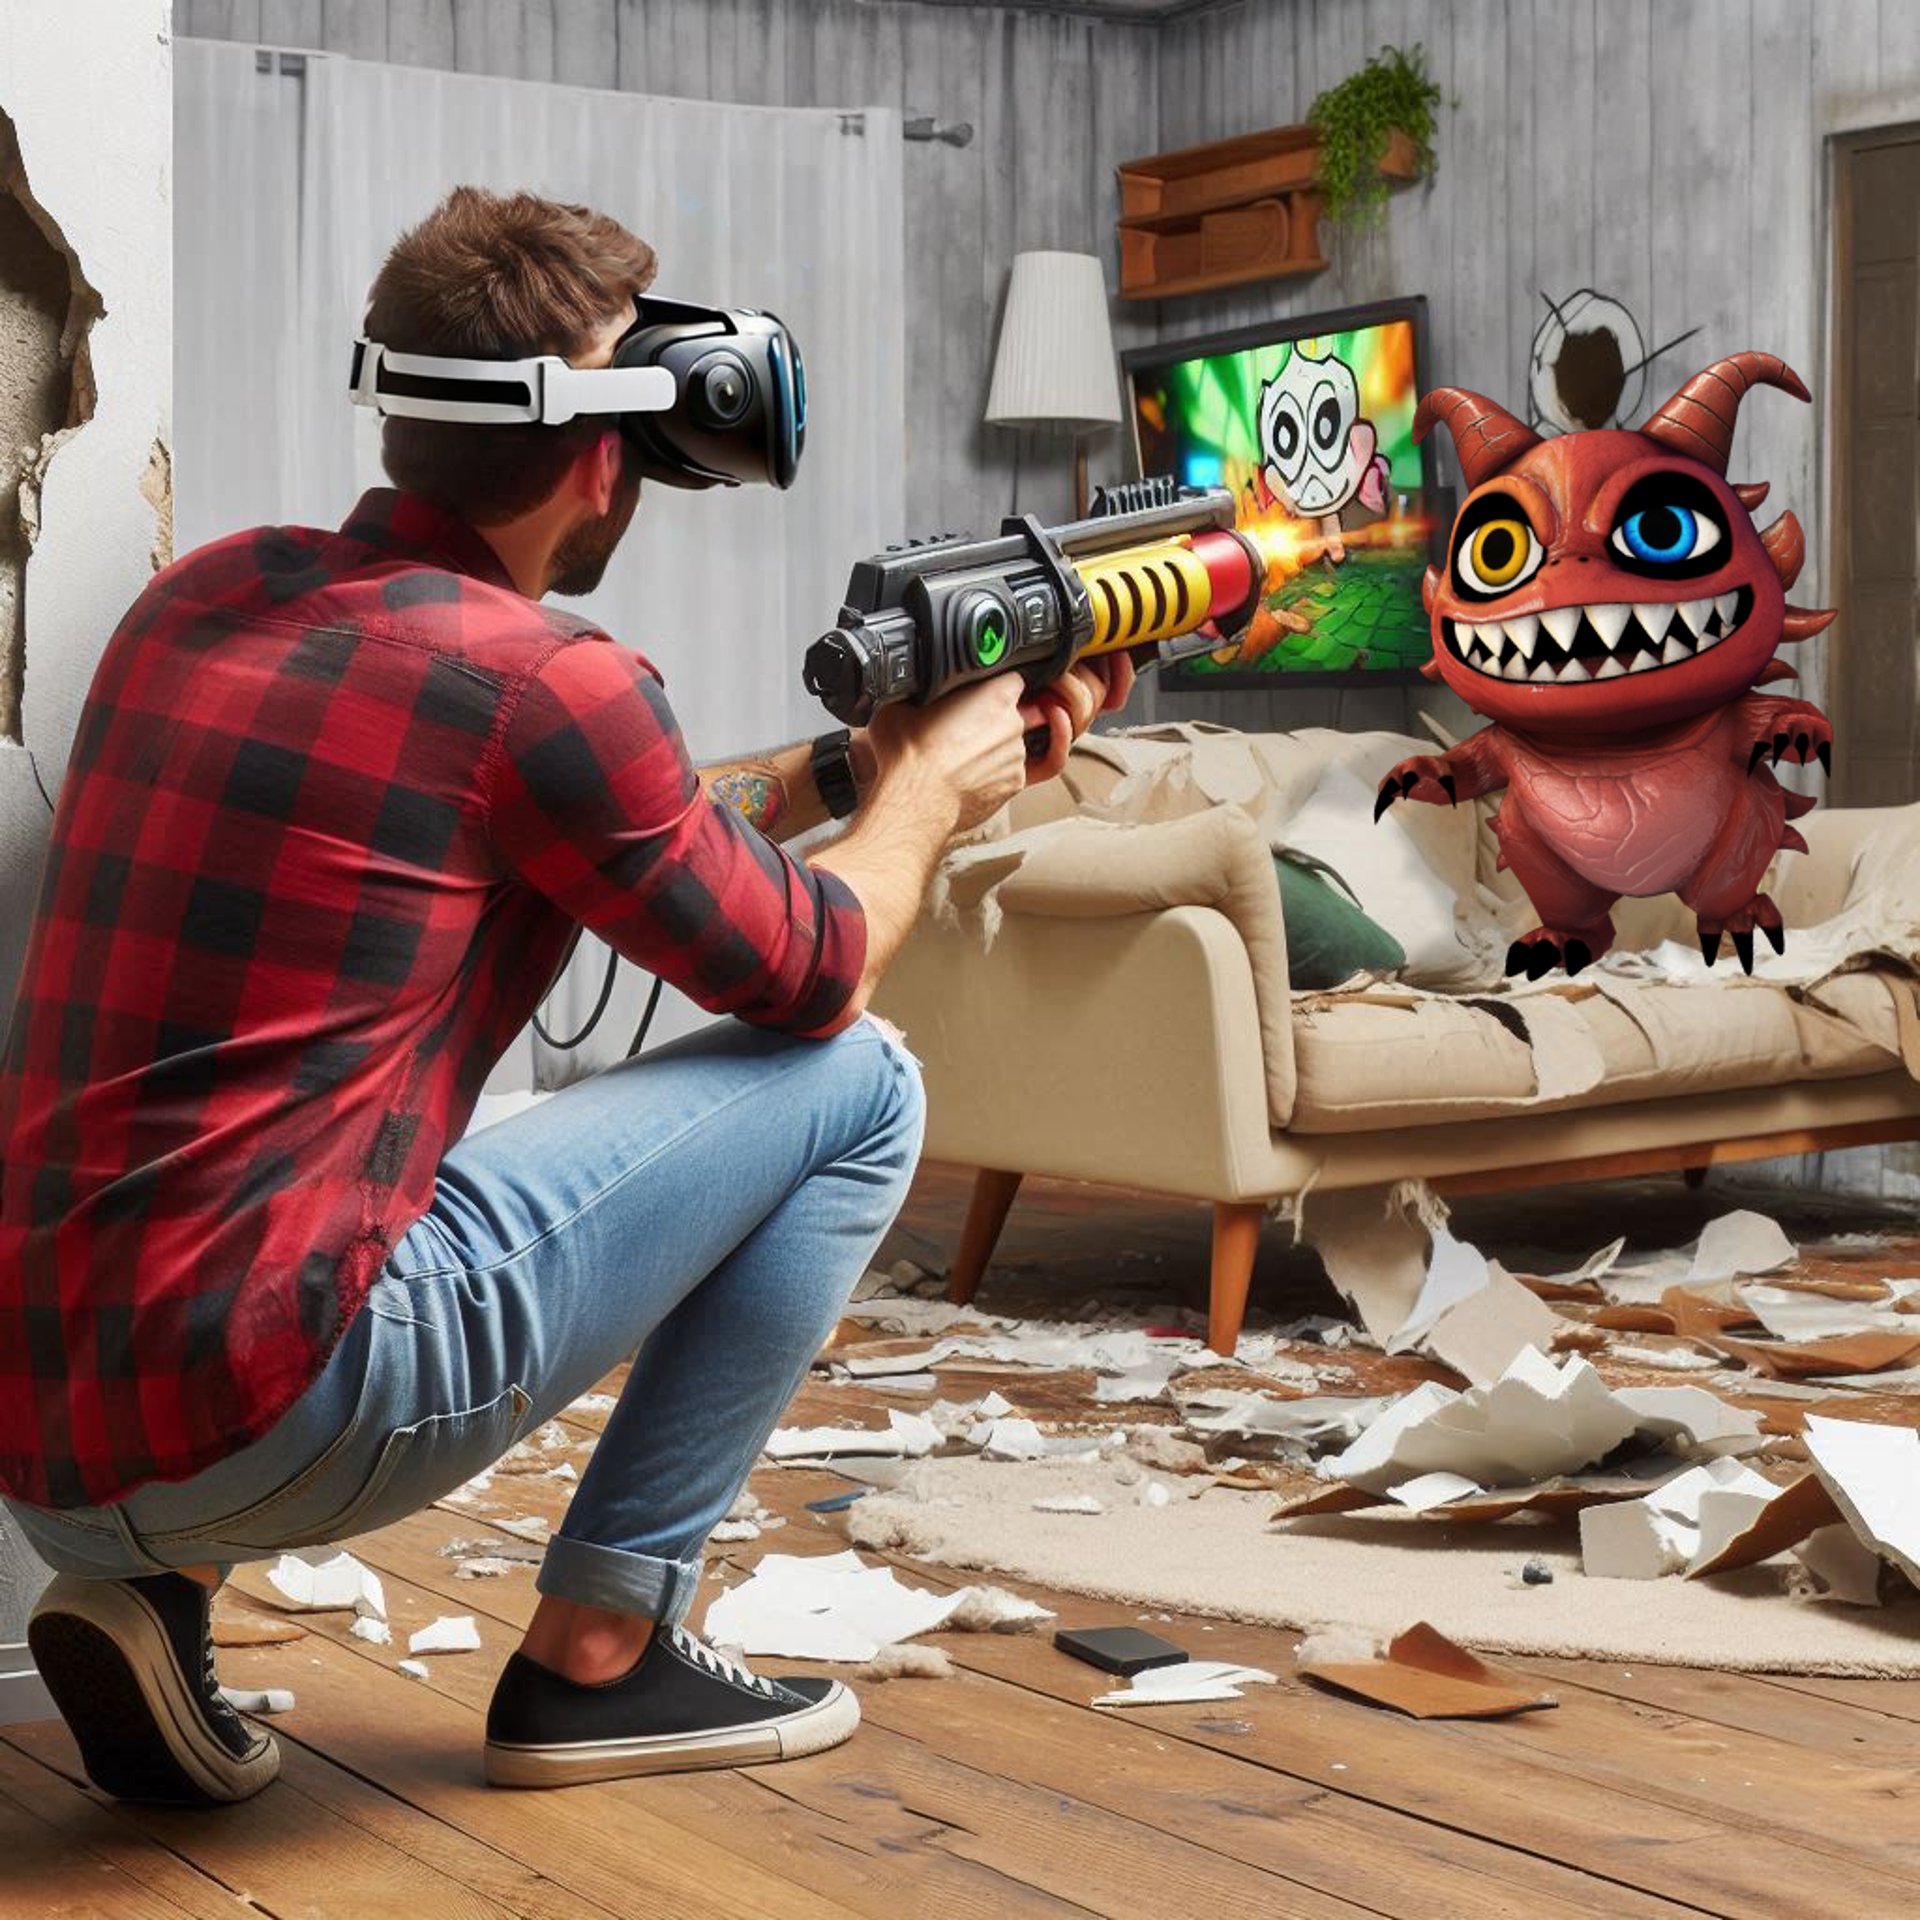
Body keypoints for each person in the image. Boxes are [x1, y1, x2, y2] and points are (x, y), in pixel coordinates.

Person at [0, 186, 1131, 1803]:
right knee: (865, 1078)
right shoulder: (547, 684)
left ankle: (155, 1589)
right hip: (282, 1411)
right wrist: (931, 801)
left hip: (44, 1437)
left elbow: (623, 828)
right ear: (615, 451)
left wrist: (849, 774)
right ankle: (605, 1660)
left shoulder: (206, 598)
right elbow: (813, 968)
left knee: (278, 1152)